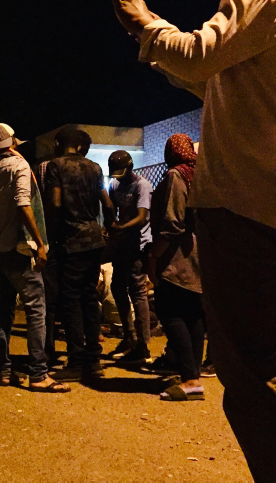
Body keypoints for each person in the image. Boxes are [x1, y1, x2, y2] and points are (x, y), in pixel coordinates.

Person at [112, 1, 276, 477]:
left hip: (246, 212)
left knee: (246, 371)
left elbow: (202, 57)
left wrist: (143, 21)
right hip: (251, 214)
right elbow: (218, 78)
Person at [0, 123, 68, 392]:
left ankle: (4, 372)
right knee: (36, 310)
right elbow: (23, 204)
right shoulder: (19, 166)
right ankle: (39, 373)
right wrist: (40, 243)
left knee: (0, 312)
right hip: (18, 250)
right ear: (13, 142)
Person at [45, 128, 115, 383]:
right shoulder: (94, 168)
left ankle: (76, 360)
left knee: (70, 300)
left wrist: (53, 234)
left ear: (59, 143)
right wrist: (110, 226)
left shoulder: (56, 166)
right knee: (89, 298)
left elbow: (55, 203)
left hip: (71, 239)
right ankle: (94, 360)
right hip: (94, 239)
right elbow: (107, 203)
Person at [147, 134, 205, 401]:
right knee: (193, 315)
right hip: (198, 255)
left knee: (171, 313)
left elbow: (172, 224)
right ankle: (192, 376)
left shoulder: (176, 175)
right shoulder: (199, 174)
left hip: (177, 257)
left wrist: (154, 257)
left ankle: (190, 379)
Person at [106, 150, 153, 364]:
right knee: (117, 287)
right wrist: (110, 225)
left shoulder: (142, 185)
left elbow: (142, 217)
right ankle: (129, 337)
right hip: (122, 244)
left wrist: (121, 228)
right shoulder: (115, 185)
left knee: (138, 291)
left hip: (138, 244)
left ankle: (143, 345)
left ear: (130, 167)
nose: (119, 178)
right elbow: (111, 209)